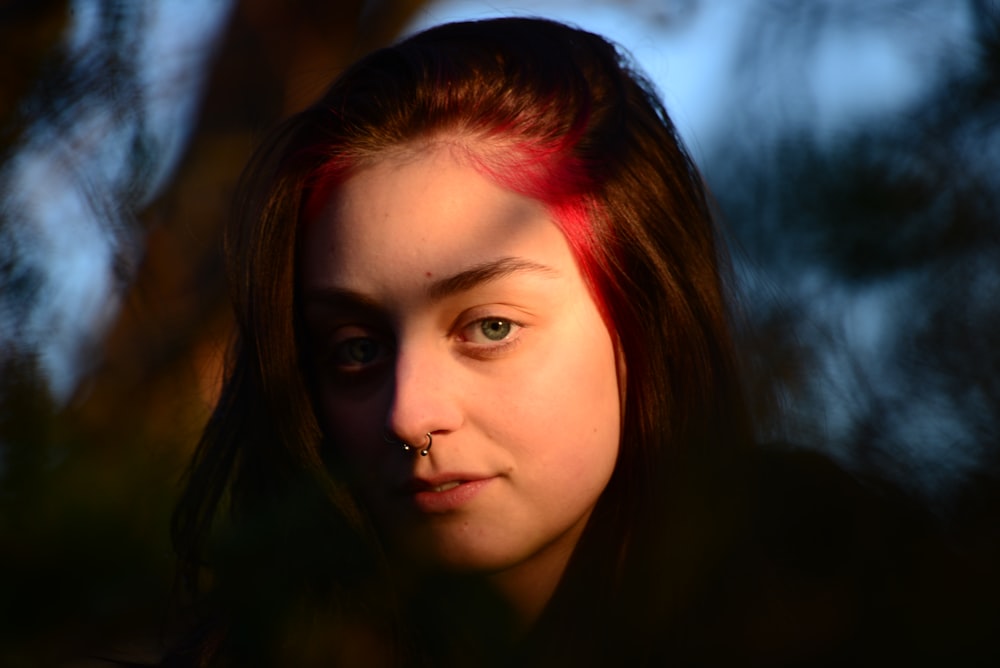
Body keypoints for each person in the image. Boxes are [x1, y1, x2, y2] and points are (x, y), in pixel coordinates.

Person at [164, 16, 861, 667]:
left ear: (643, 316)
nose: (410, 415)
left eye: (490, 327)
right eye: (357, 349)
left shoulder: (889, 610)